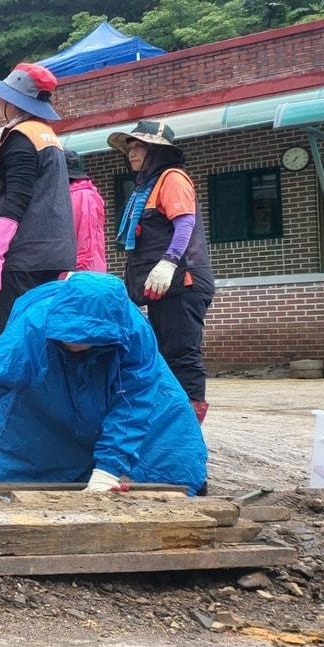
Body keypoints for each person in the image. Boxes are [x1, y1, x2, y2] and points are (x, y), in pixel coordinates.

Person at [0, 273, 206, 494]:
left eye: (85, 341)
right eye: (69, 337)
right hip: (46, 399)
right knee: (24, 471)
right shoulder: (36, 326)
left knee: (174, 463)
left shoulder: (134, 336)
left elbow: (133, 403)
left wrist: (109, 468)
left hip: (117, 392)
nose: (74, 345)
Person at [108, 120, 215, 423]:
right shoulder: (146, 187)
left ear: (157, 150)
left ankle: (189, 424)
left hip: (184, 281)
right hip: (163, 286)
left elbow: (185, 224)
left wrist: (168, 262)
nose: (130, 152)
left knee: (182, 354)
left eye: (138, 145)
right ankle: (171, 421)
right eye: (128, 146)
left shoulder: (172, 178)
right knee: (165, 354)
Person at [0, 63, 76, 332]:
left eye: (3, 97)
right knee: (43, 334)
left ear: (13, 102)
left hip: (21, 260)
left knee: (17, 340)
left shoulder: (20, 140)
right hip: (51, 256)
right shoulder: (48, 137)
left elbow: (15, 202)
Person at [67, 151, 108, 272]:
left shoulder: (83, 195)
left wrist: (77, 272)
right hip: (84, 269)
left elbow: (86, 238)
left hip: (84, 272)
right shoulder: (82, 193)